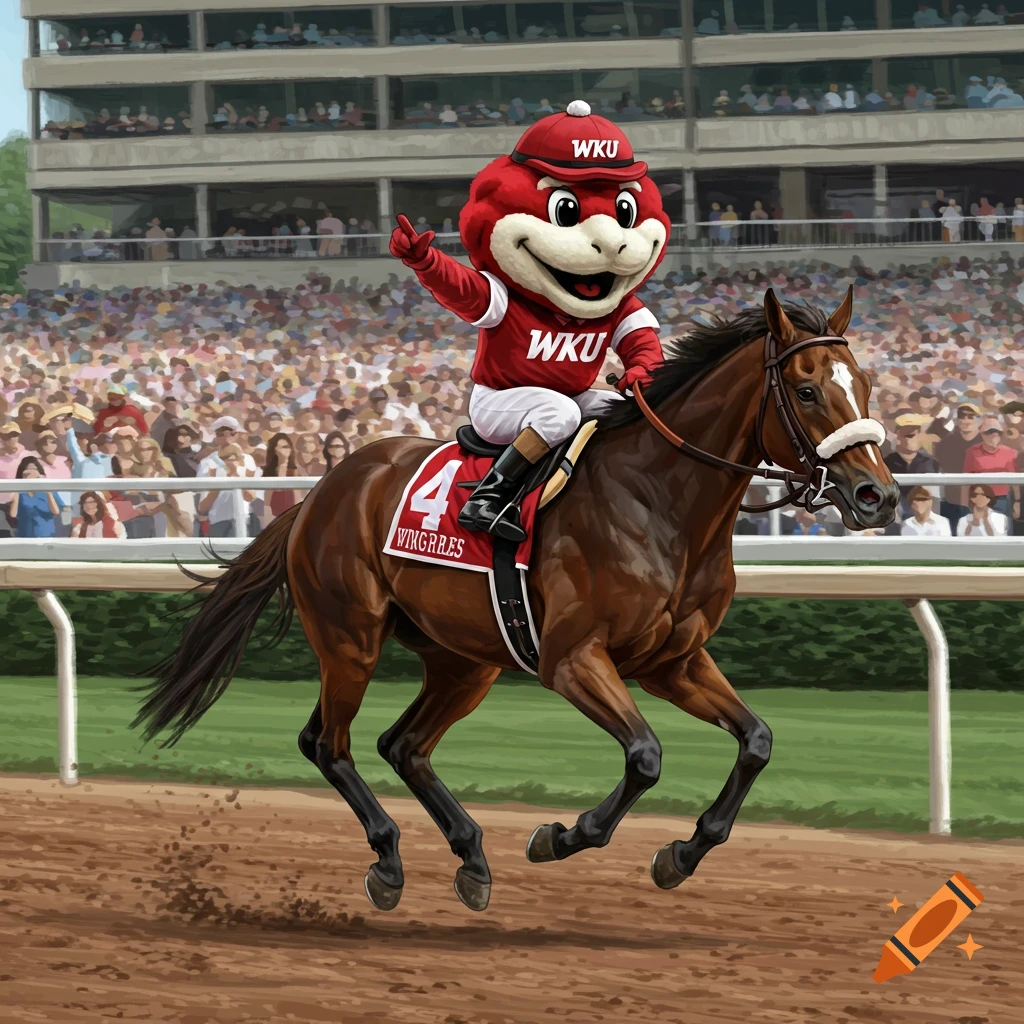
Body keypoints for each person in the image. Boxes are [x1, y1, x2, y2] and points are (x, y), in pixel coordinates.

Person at [883, 415, 939, 527]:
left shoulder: (930, 462)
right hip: (896, 516)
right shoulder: (887, 462)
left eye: (914, 431)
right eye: (906, 431)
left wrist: (934, 518)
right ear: (898, 434)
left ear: (919, 434)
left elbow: (936, 495)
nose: (910, 435)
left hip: (925, 514)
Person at [932, 402, 982, 529]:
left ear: (979, 420)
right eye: (962, 416)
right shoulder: (946, 443)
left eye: (971, 416)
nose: (966, 420)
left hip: (980, 500)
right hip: (951, 500)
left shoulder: (985, 442)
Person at [963, 419, 1019, 524]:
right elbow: (965, 481)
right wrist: (966, 503)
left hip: (1002, 500)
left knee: (1002, 530)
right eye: (989, 432)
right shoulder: (972, 452)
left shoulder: (1010, 453)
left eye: (997, 432)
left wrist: (1017, 502)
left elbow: (1015, 481)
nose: (993, 435)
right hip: (979, 498)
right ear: (982, 434)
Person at [197, 444, 258, 537]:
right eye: (226, 458)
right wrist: (218, 483)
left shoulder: (244, 472)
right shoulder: (213, 472)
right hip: (218, 521)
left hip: (243, 519)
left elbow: (250, 497)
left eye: (235, 458)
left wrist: (237, 475)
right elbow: (202, 507)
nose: (230, 462)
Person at [9, 456, 64, 538]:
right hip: (24, 534)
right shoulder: (20, 492)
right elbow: (13, 514)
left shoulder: (49, 491)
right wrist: (18, 487)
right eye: (27, 468)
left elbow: (56, 511)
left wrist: (46, 487)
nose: (30, 471)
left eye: (34, 468)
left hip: (45, 534)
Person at [264, 432, 300, 518]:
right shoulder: (269, 472)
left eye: (287, 447)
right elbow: (268, 501)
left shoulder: (294, 471)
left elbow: (297, 499)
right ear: (275, 450)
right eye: (283, 447)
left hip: (291, 516)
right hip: (273, 516)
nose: (286, 450)